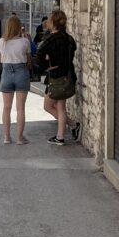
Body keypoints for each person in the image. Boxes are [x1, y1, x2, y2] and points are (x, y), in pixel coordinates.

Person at [36, 10, 80, 145]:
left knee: (48, 106)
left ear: (53, 22)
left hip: (56, 77)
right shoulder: (69, 38)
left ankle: (70, 127)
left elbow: (39, 54)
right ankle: (63, 134)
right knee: (61, 107)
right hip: (68, 76)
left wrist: (46, 66)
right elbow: (73, 51)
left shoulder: (51, 38)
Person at [0, 14, 31, 145]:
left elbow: (0, 59)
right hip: (21, 71)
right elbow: (28, 59)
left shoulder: (1, 42)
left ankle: (6, 137)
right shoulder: (25, 42)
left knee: (6, 107)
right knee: (20, 108)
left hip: (7, 72)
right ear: (19, 27)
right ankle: (20, 138)